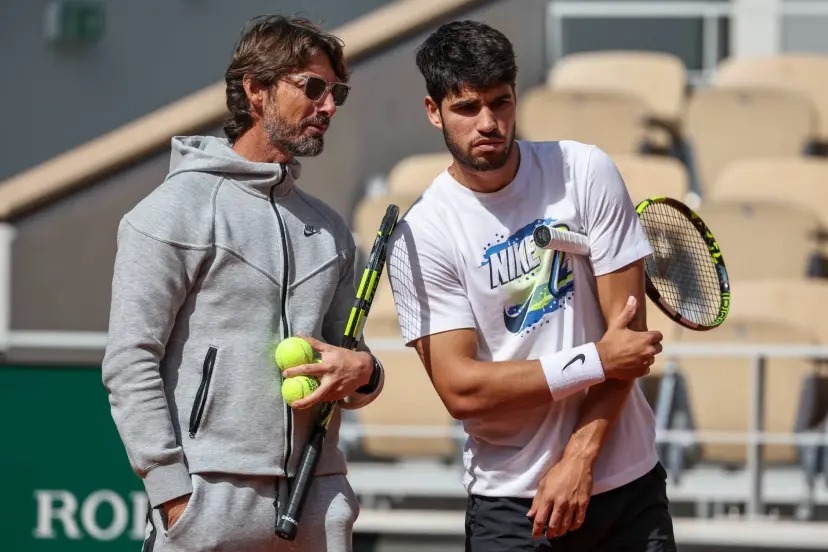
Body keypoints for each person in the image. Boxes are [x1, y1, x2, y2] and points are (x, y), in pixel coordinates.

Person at [384, 20, 676, 551]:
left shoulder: (585, 171)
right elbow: (461, 388)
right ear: (434, 112)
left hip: (627, 488)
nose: (489, 123)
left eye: (501, 102)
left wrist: (579, 459)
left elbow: (627, 345)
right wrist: (594, 360)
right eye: (467, 108)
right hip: (512, 505)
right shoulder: (422, 233)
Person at [102, 14, 384, 552]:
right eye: (313, 87)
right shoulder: (170, 213)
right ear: (256, 89)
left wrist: (366, 373)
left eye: (337, 93)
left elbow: (350, 360)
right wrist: (173, 496)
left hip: (317, 504)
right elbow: (129, 360)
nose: (328, 107)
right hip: (207, 503)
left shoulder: (330, 230)